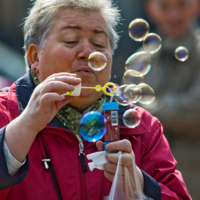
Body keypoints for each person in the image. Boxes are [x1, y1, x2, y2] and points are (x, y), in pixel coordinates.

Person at [0, 0, 191, 199]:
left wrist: (141, 186)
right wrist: (26, 126)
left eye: (99, 44)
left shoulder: (142, 128)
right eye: (71, 40)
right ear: (35, 57)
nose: (88, 52)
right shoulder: (5, 113)